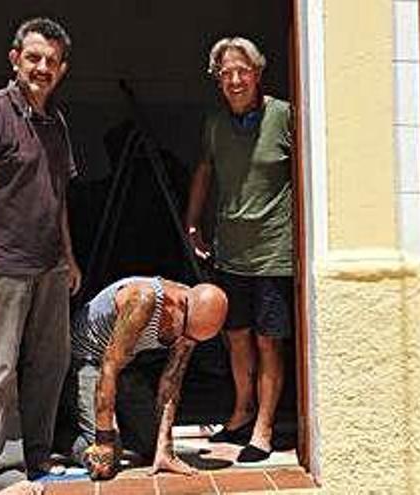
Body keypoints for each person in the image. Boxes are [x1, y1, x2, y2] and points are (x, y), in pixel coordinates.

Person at [0, 17, 81, 494]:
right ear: (15, 60)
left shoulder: (56, 122)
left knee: (51, 362)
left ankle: (36, 453)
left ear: (62, 69)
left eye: (51, 61)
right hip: (1, 266)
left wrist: (69, 256)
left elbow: (57, 193)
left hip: (49, 266)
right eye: (33, 58)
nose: (41, 67)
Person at [185, 37, 294, 463]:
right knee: (235, 339)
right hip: (230, 251)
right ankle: (241, 411)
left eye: (242, 70)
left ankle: (264, 427)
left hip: (272, 252)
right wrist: (192, 221)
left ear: (257, 73)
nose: (234, 79)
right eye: (226, 72)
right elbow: (205, 170)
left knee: (269, 342)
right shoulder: (214, 123)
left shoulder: (284, 115)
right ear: (218, 79)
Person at [69, 277, 228, 480]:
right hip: (87, 360)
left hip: (124, 364)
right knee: (109, 458)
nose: (186, 343)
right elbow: (108, 367)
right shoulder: (143, 300)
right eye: (187, 335)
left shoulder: (194, 317)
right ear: (179, 304)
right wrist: (104, 440)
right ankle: (62, 439)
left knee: (152, 446)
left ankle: (121, 431)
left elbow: (172, 380)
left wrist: (165, 450)